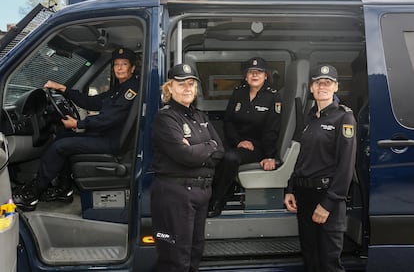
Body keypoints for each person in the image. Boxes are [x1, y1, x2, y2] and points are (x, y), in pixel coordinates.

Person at [12, 47, 139, 211]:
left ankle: (33, 194)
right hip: (108, 135)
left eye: (124, 64)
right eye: (116, 64)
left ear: (132, 68)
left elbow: (109, 119)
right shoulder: (119, 89)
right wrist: (64, 89)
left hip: (112, 141)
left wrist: (78, 124)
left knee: (60, 147)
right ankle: (64, 188)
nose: (119, 68)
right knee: (62, 137)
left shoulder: (130, 90)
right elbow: (91, 102)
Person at [151, 63, 224, 272]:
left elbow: (221, 152)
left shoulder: (200, 116)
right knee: (175, 260)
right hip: (176, 194)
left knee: (194, 254)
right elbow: (185, 155)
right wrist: (208, 147)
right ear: (169, 88)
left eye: (191, 84)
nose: (187, 88)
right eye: (181, 84)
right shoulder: (165, 118)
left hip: (201, 193)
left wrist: (200, 149)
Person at [284, 64, 357, 272]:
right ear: (311, 88)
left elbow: (346, 166)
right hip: (304, 197)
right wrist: (290, 188)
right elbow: (302, 156)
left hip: (327, 199)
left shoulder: (344, 118)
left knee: (328, 265)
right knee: (311, 261)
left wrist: (328, 203)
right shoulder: (309, 117)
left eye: (328, 83)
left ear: (336, 87)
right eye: (318, 83)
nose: (322, 86)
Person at [208, 57, 282, 217]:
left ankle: (217, 199)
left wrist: (270, 156)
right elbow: (228, 121)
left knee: (230, 158)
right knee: (212, 153)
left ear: (265, 76)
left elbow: (272, 129)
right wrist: (238, 141)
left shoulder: (272, 97)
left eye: (259, 72)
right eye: (251, 72)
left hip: (258, 146)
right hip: (236, 142)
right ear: (245, 76)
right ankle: (209, 193)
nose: (255, 75)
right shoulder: (238, 93)